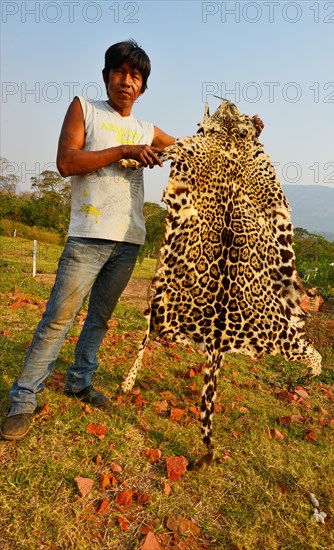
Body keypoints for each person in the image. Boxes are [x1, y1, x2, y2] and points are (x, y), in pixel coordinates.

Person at [1, 40, 264, 441]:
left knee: (100, 318)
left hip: (128, 241)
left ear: (143, 87)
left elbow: (197, 154)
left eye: (135, 76)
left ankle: (80, 381)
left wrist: (242, 135)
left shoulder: (147, 129)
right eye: (120, 73)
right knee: (58, 318)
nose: (126, 81)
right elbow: (66, 163)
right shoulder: (84, 110)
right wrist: (124, 149)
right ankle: (23, 399)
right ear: (107, 76)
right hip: (87, 238)